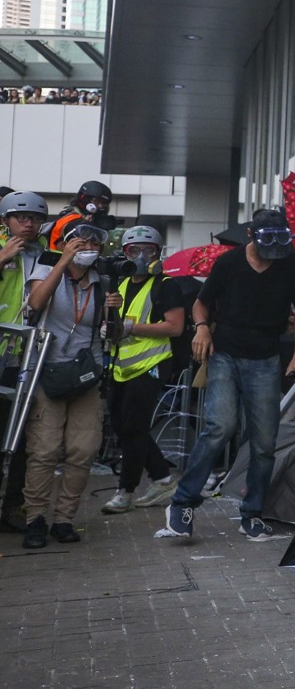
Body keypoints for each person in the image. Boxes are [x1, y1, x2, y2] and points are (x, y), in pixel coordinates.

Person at [160, 208, 295, 541]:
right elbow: (202, 303)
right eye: (265, 241)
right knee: (220, 427)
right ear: (250, 236)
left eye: (280, 241)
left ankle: (252, 514)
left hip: (266, 358)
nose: (273, 249)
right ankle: (182, 504)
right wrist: (201, 328)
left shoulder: (291, 263)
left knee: (264, 441)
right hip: (225, 354)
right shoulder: (229, 263)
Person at [21, 224, 109, 549]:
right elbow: (35, 302)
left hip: (86, 375)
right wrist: (62, 262)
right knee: (43, 450)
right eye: (80, 240)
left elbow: (109, 333)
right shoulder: (45, 266)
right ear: (65, 242)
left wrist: (113, 314)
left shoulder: (103, 281)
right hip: (46, 371)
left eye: (93, 242)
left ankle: (63, 518)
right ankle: (35, 519)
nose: (87, 245)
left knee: (82, 450)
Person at [99, 226, 184, 514]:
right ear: (124, 253)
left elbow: (175, 327)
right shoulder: (120, 284)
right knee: (123, 428)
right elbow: (114, 328)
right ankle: (162, 478)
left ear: (158, 254)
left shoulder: (166, 285)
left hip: (151, 365)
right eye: (133, 250)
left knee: (134, 428)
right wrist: (108, 316)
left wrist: (131, 328)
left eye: (149, 250)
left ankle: (125, 491)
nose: (141, 255)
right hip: (122, 366)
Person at [0, 191, 49, 532]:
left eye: (34, 217)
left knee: (16, 437)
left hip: (24, 353)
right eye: (21, 217)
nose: (28, 223)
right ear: (5, 220)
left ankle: (12, 505)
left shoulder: (46, 252)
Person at [48, 180, 116, 249]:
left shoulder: (81, 218)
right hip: (61, 258)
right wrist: (84, 226)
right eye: (97, 201)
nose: (100, 206)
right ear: (84, 198)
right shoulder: (71, 219)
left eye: (103, 203)